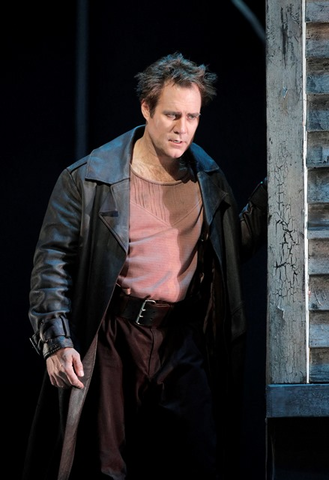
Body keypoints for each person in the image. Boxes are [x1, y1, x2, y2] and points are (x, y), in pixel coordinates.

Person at [22, 52, 267, 480]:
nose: (183, 128)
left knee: (197, 459)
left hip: (181, 339)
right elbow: (52, 263)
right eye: (172, 114)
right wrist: (57, 342)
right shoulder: (90, 178)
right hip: (117, 333)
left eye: (192, 117)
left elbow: (230, 249)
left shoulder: (207, 178)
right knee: (104, 466)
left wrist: (279, 184)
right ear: (146, 108)